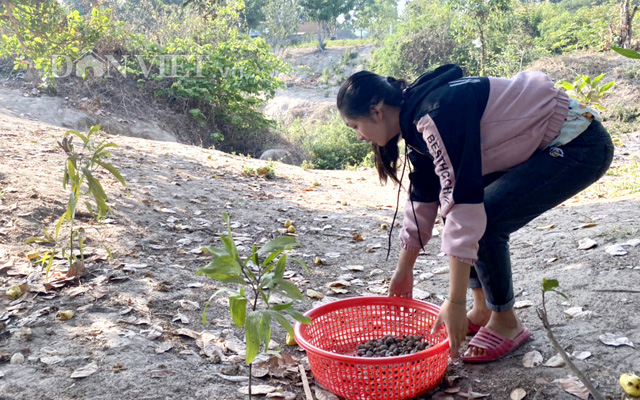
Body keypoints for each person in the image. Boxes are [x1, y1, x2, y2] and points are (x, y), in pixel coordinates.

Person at [336, 64, 614, 362]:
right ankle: (482, 310)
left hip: (579, 143)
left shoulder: (435, 114)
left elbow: (464, 204)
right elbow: (425, 199)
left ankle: (506, 322)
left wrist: (454, 301)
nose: (359, 137)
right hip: (543, 144)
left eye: (355, 127)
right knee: (465, 214)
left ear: (377, 111)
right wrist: (404, 271)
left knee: (487, 219)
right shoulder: (416, 123)